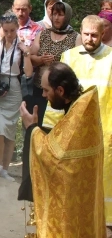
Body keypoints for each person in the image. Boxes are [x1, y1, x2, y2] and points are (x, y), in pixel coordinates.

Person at [19, 62, 105, 237]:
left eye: (46, 90)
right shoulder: (83, 107)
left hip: (70, 213)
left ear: (60, 91)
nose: (43, 95)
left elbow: (55, 158)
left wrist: (32, 128)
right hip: (83, 205)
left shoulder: (79, 116)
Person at [42, 15, 112, 228]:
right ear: (80, 33)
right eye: (86, 34)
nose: (90, 39)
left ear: (103, 34)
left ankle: (104, 221)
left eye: (94, 35)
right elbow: (56, 94)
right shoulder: (69, 56)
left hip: (104, 129)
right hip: (73, 130)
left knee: (103, 177)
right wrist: (51, 128)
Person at [0, 12, 33, 181]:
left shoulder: (22, 47)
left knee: (10, 129)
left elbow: (28, 73)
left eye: (12, 30)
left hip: (13, 87)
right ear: (1, 28)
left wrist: (26, 53)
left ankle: (5, 168)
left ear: (17, 29)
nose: (9, 34)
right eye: (6, 30)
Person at [29, 2, 80, 126]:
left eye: (60, 14)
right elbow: (31, 56)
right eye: (54, 14)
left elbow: (78, 63)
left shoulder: (75, 37)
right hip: (40, 88)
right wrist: (41, 60)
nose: (56, 18)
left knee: (58, 125)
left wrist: (59, 64)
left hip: (60, 91)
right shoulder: (43, 34)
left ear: (67, 16)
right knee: (38, 122)